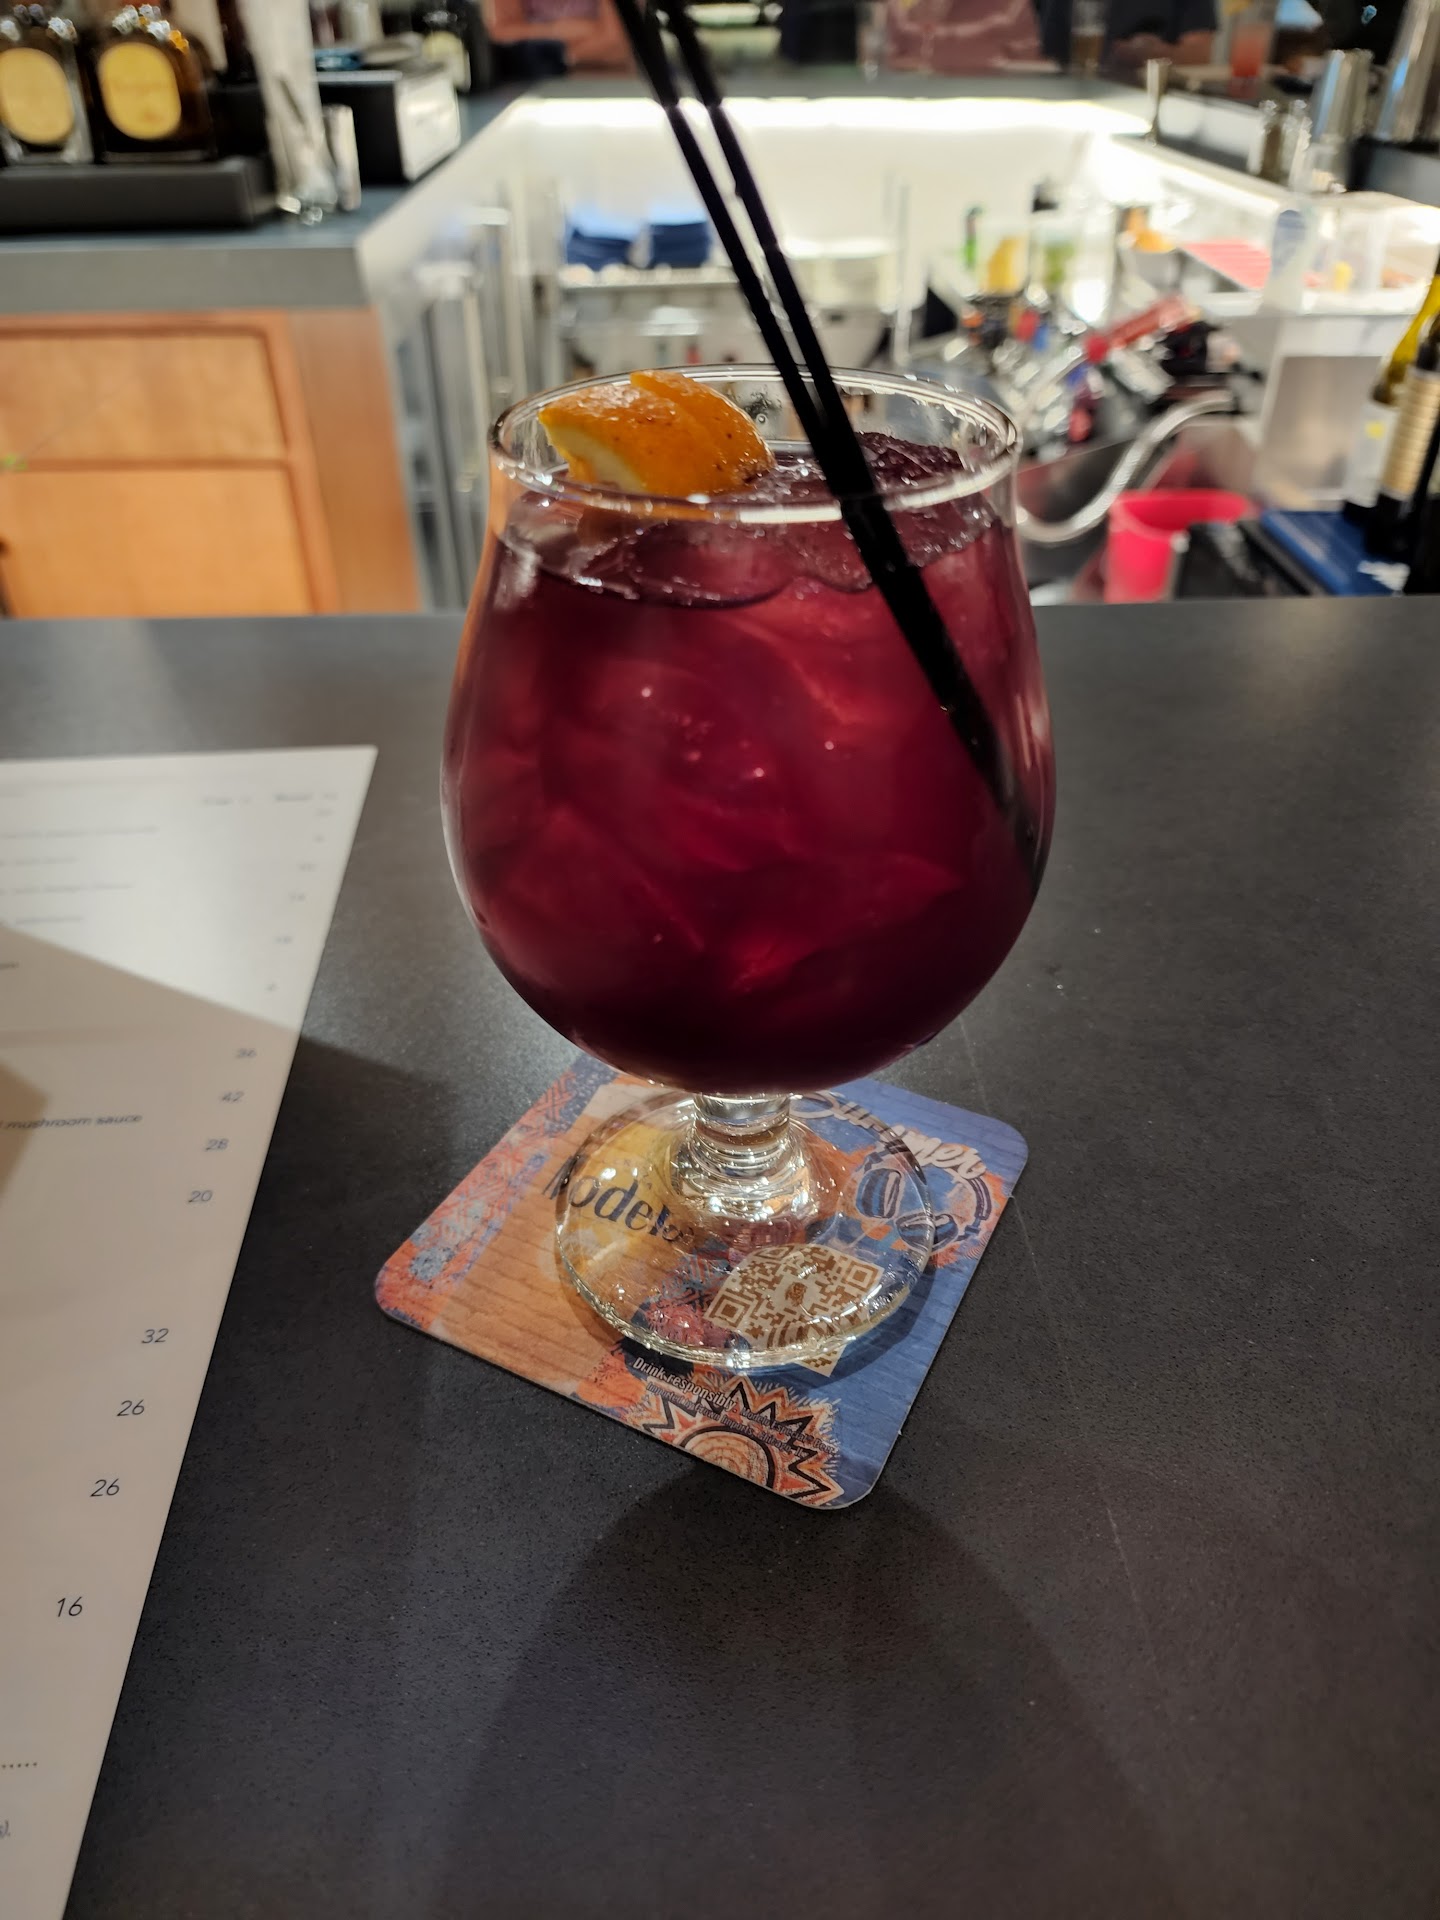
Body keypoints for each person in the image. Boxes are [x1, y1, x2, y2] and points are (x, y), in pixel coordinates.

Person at [1037, 0, 1214, 68]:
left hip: (1150, 101)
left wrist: (1153, 54)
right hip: (1067, 100)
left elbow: (1199, 54)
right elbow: (1038, 53)